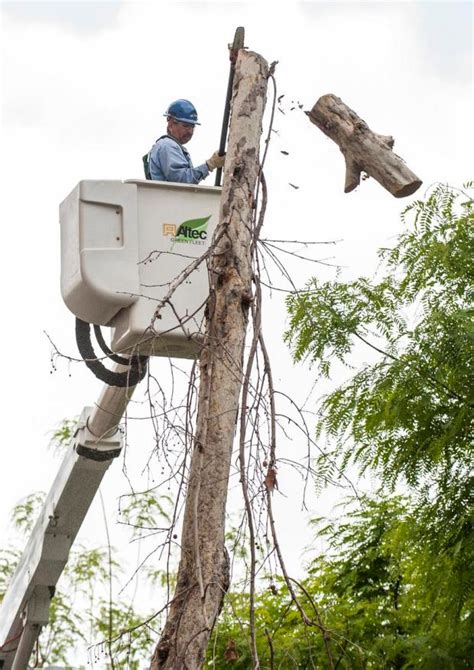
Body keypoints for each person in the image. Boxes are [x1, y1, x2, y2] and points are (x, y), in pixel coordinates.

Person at [145, 99, 225, 184]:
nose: (190, 131)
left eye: (192, 127)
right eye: (186, 126)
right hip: (170, 197)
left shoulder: (172, 146)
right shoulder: (167, 145)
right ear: (171, 124)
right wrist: (209, 165)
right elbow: (182, 181)